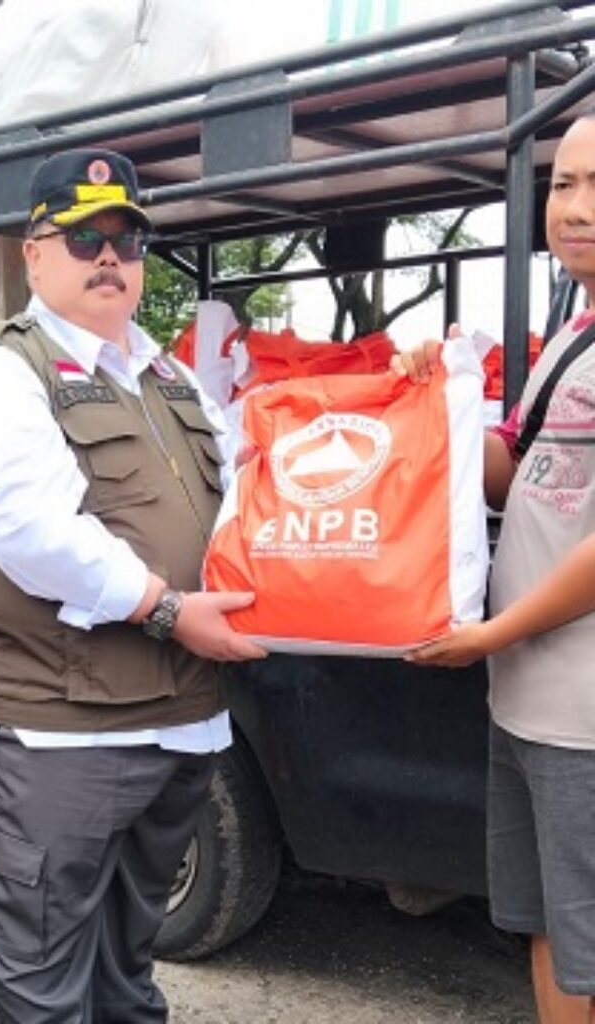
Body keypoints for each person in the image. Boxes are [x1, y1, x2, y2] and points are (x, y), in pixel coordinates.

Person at [0, 147, 264, 1021]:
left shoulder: (173, 377)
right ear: (32, 252)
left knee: (128, 965)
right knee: (46, 986)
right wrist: (168, 610)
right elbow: (37, 537)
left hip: (183, 724)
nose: (109, 256)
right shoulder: (2, 373)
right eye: (84, 239)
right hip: (58, 735)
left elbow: (252, 488)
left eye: (126, 237)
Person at [395, 113, 595, 1024]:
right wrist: (439, 399)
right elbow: (515, 472)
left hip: (583, 717)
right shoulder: (571, 335)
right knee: (547, 925)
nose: (578, 209)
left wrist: (489, 635)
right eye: (564, 185)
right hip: (524, 703)